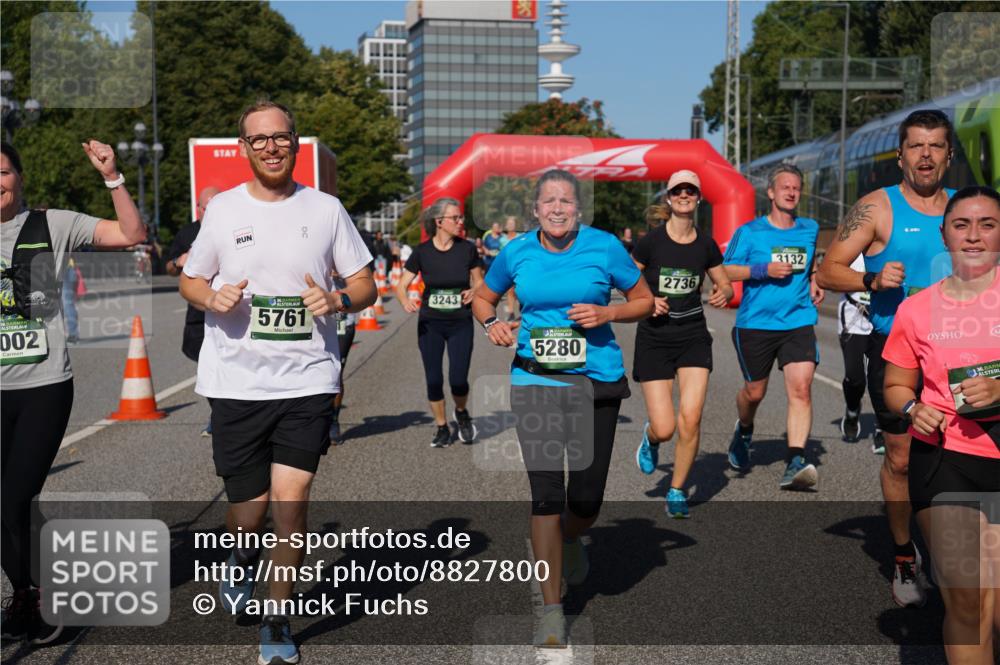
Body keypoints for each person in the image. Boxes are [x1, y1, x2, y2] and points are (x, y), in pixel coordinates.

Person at [179, 100, 375, 665]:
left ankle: (277, 620)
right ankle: (238, 562)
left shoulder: (327, 209)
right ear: (244, 147)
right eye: (258, 139)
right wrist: (210, 295)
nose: (270, 146)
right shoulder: (222, 212)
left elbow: (364, 285)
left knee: (292, 505)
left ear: (295, 143)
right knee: (250, 513)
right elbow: (192, 281)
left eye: (280, 137)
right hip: (238, 382)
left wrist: (337, 298)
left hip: (308, 377)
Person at [472, 169, 654, 648]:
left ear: (579, 209)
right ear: (535, 209)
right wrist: (492, 322)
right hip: (534, 378)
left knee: (586, 498)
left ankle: (573, 536)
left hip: (596, 379)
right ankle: (553, 608)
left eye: (566, 202)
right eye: (549, 201)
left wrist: (608, 313)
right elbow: (485, 296)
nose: (557, 208)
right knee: (546, 492)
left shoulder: (605, 247)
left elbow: (644, 299)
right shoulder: (516, 251)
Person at [1, 140, 146, 644]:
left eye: (2, 172)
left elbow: (131, 234)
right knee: (6, 503)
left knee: (15, 495)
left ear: (19, 176)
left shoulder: (52, 225)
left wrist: (112, 176)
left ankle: (40, 593)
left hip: (43, 386)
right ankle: (25, 593)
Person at [817, 109, 955, 607]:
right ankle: (903, 556)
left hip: (958, 356)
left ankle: (952, 544)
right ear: (900, 155)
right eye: (915, 145)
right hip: (897, 353)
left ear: (948, 156)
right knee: (901, 459)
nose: (925, 155)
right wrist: (872, 281)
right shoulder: (876, 208)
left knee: (958, 458)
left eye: (935, 146)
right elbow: (829, 270)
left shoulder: (968, 210)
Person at [882, 186, 1000, 659]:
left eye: (987, 225)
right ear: (944, 234)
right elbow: (895, 385)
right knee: (968, 601)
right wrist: (913, 409)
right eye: (962, 225)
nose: (974, 236)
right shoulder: (917, 309)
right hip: (945, 458)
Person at [631, 170, 733, 518]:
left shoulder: (706, 244)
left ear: (699, 198)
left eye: (691, 190)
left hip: (692, 336)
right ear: (669, 198)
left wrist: (724, 291)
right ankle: (651, 437)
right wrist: (648, 299)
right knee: (666, 426)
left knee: (691, 417)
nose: (684, 195)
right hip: (655, 338)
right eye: (678, 191)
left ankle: (676, 490)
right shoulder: (650, 242)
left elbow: (725, 283)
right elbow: (629, 281)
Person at [722, 163, 825, 490]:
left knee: (801, 388)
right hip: (756, 324)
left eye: (796, 187)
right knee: (755, 392)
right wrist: (762, 269)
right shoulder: (750, 232)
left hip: (798, 320)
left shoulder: (809, 228)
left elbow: (811, 264)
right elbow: (725, 270)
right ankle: (744, 427)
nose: (792, 192)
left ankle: (795, 459)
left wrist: (814, 279)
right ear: (771, 193)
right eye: (785, 187)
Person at [395, 198, 483, 447]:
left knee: (458, 379)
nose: (460, 222)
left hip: (460, 323)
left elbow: (479, 281)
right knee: (433, 379)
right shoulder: (422, 252)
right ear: (439, 222)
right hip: (430, 324)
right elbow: (401, 286)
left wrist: (474, 292)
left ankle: (462, 413)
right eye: (455, 218)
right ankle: (442, 426)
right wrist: (404, 301)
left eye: (461, 217)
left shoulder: (467, 249)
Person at [166, 185, 221, 437]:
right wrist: (178, 262)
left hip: (228, 311)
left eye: (214, 207)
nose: (210, 212)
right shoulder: (188, 233)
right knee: (205, 366)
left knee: (227, 367)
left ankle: (224, 416)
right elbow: (169, 266)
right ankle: (219, 411)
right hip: (198, 312)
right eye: (205, 207)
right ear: (198, 208)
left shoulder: (229, 229)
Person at [836, 253, 877, 449]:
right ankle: (852, 411)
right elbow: (830, 275)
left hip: (884, 319)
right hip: (854, 319)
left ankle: (883, 427)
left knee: (883, 378)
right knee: (855, 377)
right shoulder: (851, 249)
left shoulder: (893, 244)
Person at [329, 269, 358, 446]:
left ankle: (333, 420)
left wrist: (343, 272)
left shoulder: (345, 245)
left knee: (336, 372)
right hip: (317, 324)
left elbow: (364, 282)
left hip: (342, 325)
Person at [498, 216, 521, 321]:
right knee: (510, 290)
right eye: (509, 224)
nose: (511, 225)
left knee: (519, 290)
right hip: (508, 268)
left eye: (512, 223)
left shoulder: (521, 237)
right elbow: (501, 255)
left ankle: (523, 307)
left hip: (520, 268)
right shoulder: (502, 239)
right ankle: (511, 312)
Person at [61, 257, 80, 344]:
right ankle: (73, 334)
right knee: (67, 303)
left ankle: (73, 334)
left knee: (67, 304)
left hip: (64, 268)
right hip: (67, 267)